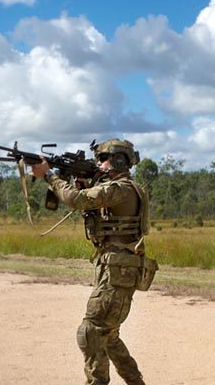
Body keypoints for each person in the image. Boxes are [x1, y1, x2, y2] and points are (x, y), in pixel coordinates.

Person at [30, 138, 154, 385]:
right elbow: (87, 201)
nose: (99, 163)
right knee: (108, 336)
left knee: (90, 332)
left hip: (118, 270)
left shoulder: (121, 188)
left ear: (119, 160)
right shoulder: (120, 188)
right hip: (116, 268)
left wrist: (49, 176)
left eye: (103, 158)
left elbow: (76, 200)